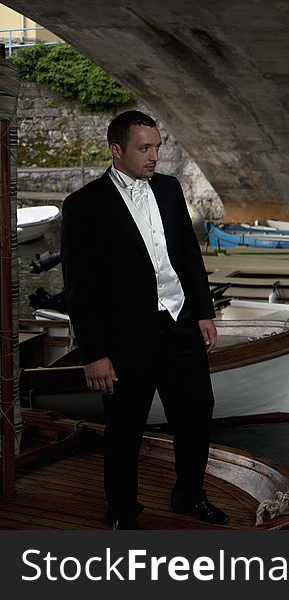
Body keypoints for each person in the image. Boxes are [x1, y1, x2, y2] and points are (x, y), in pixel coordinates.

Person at [61, 110, 229, 528]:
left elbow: (188, 258)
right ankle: (122, 510)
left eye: (157, 147)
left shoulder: (170, 190)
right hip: (125, 338)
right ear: (116, 150)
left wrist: (203, 312)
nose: (154, 156)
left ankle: (189, 496)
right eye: (144, 148)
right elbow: (81, 286)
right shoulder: (84, 205)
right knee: (124, 428)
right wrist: (93, 353)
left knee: (195, 413)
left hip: (180, 324)